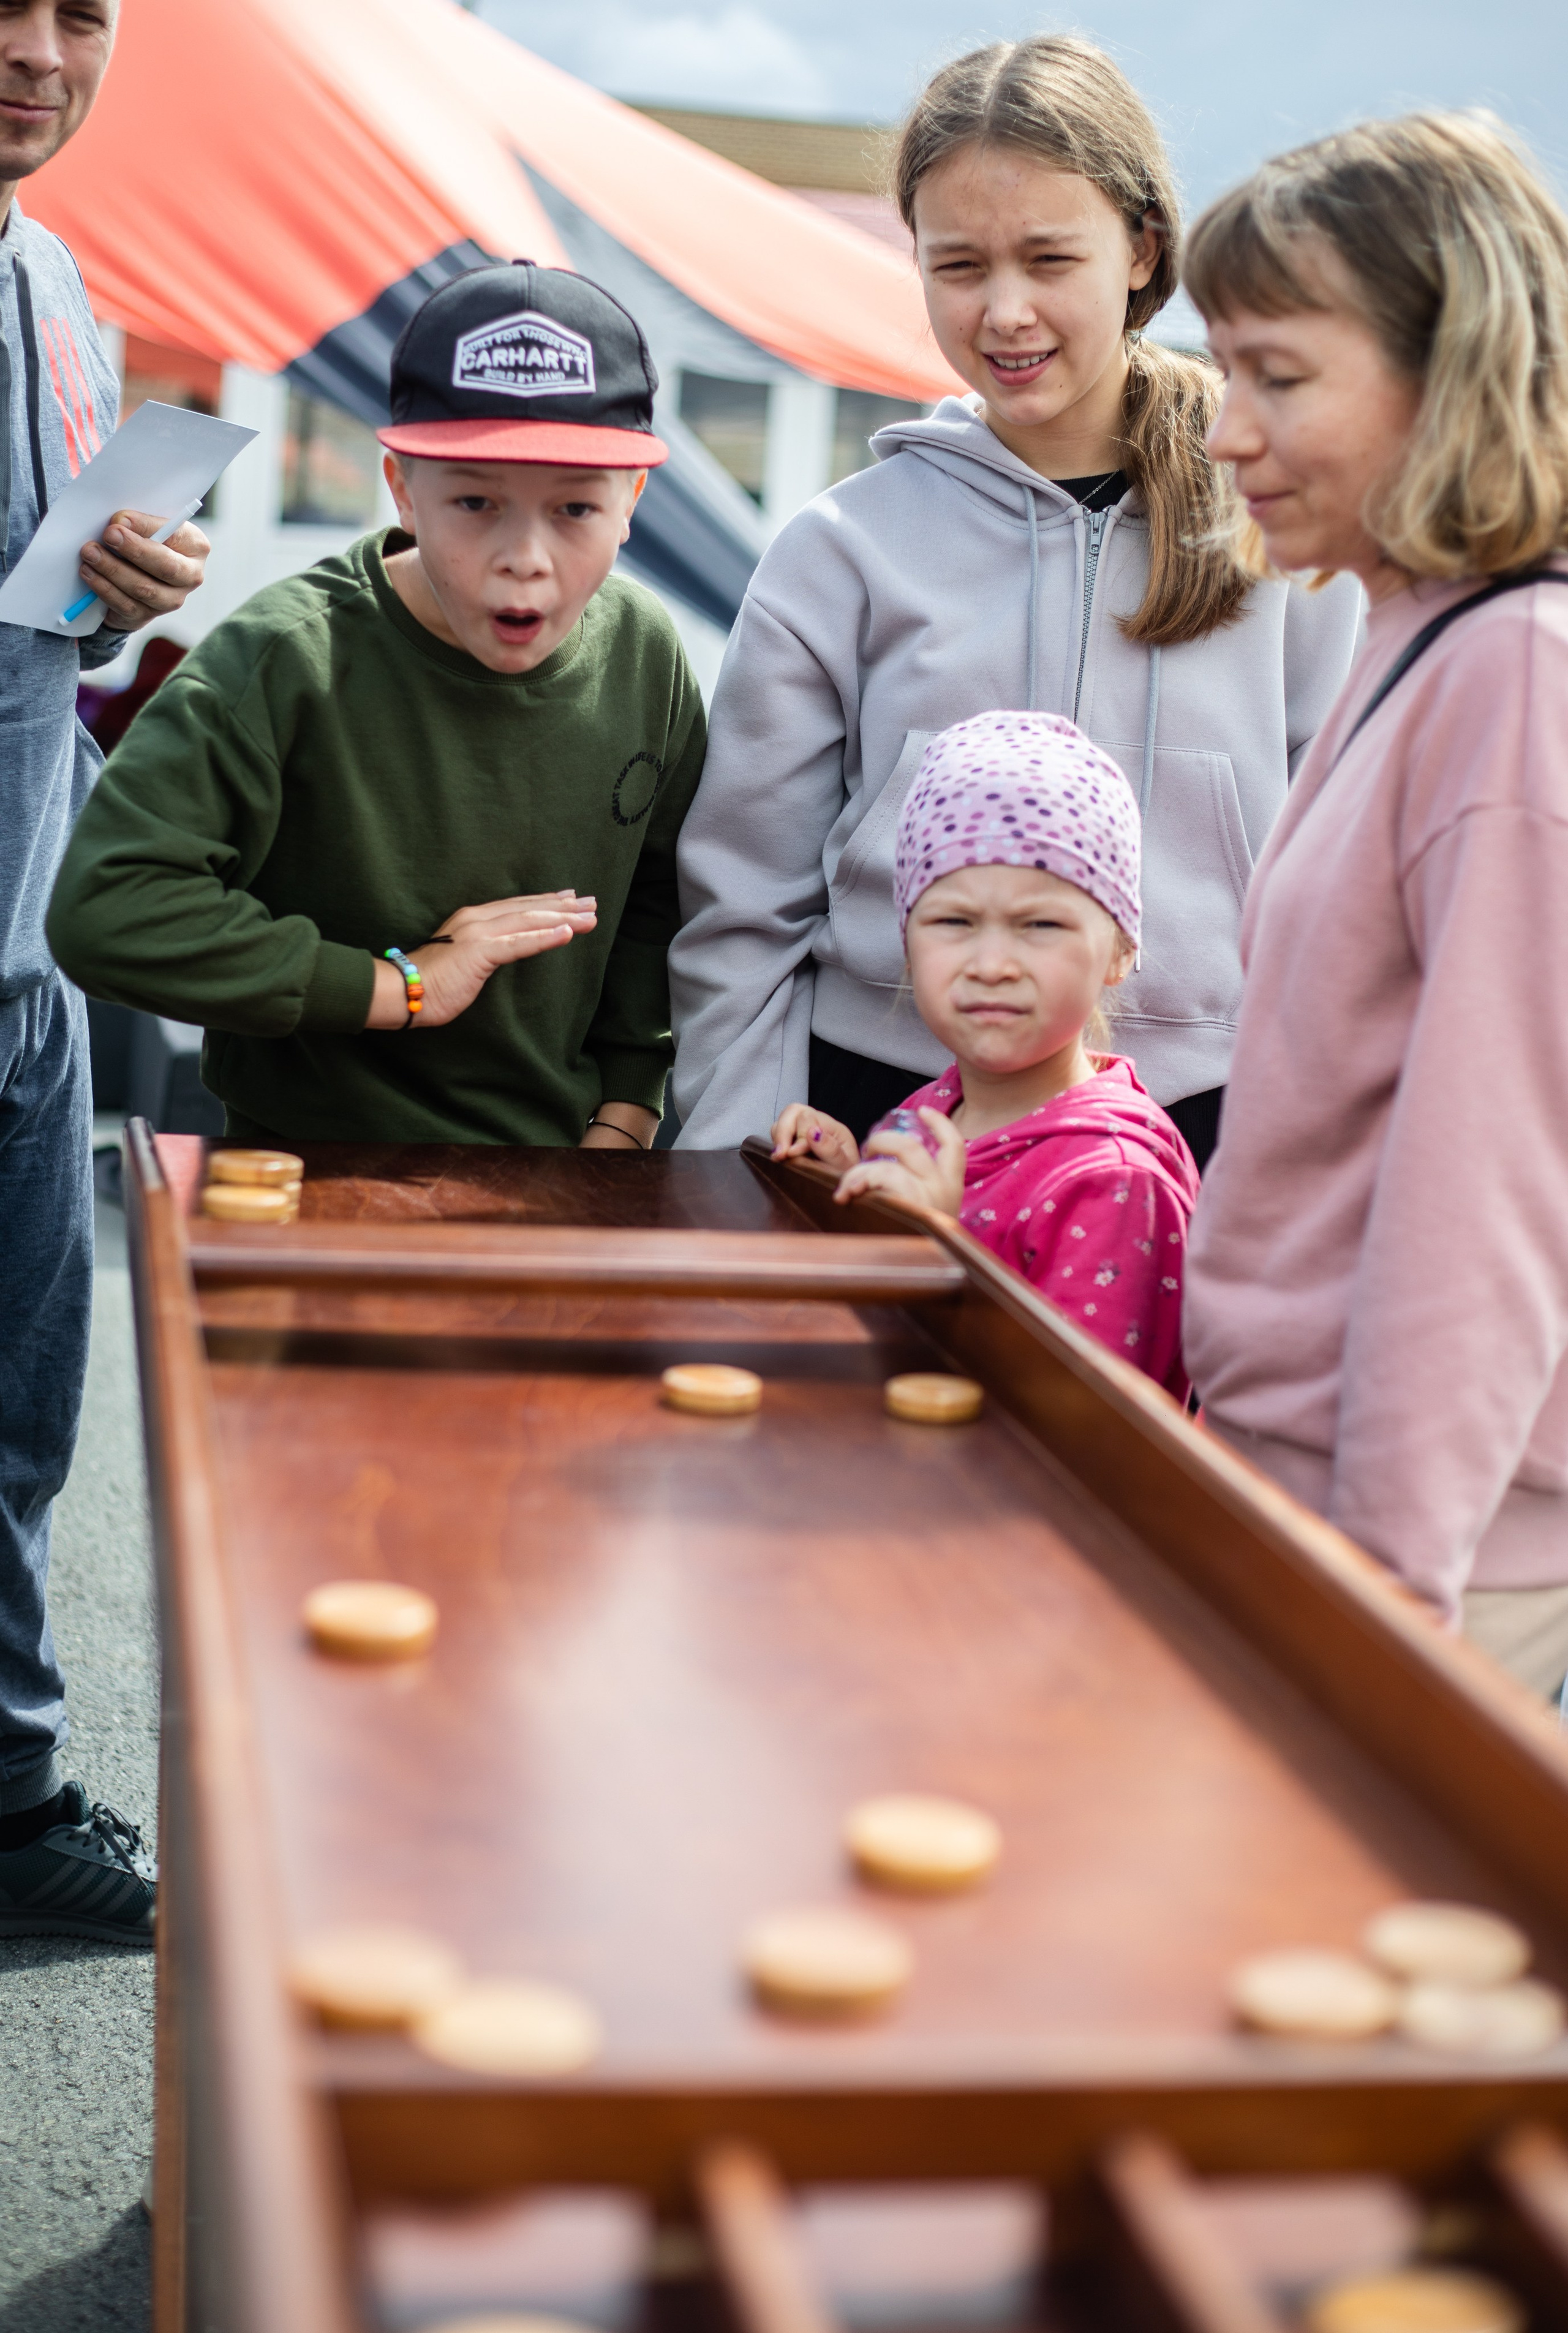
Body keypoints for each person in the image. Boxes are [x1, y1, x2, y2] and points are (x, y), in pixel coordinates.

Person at [669, 34, 1360, 1167]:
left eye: (1048, 259)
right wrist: (735, 1168)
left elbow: (1345, 884)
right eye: (958, 266)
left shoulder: (1276, 523)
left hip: (1207, 1121)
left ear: (1141, 249)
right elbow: (743, 910)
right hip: (879, 1114)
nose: (1004, 312)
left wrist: (1316, 1156)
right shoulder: (839, 550)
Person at [1180, 113, 1568, 1698]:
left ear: (1450, 370)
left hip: (1413, 1545)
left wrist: (1391, 1589)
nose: (1222, 431)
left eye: (1279, 375)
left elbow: (1494, 1174)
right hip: (1298, 1480)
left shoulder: (1513, 675)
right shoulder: (1404, 638)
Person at [49, 263, 706, 1154]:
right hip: (307, 1181)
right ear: (401, 486)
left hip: (572, 1178)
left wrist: (628, 1114)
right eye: (475, 501)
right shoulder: (285, 657)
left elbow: (661, 908)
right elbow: (108, 911)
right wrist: (396, 989)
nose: (526, 556)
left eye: (576, 508)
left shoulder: (645, 653)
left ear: (632, 503)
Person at [0, 0, 211, 1942]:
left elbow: (48, 607)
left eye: (81, 9)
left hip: (27, 949)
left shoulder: (60, 280)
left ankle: (2, 1804)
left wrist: (130, 575)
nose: (37, 48)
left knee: (20, 1411)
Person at [771, 714, 1199, 1397]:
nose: (992, 963)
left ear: (1121, 949)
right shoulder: (936, 1109)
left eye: (1040, 924)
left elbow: (1081, 1426)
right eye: (954, 921)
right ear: (907, 939)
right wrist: (849, 1182)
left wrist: (943, 1249)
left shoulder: (1115, 1182)